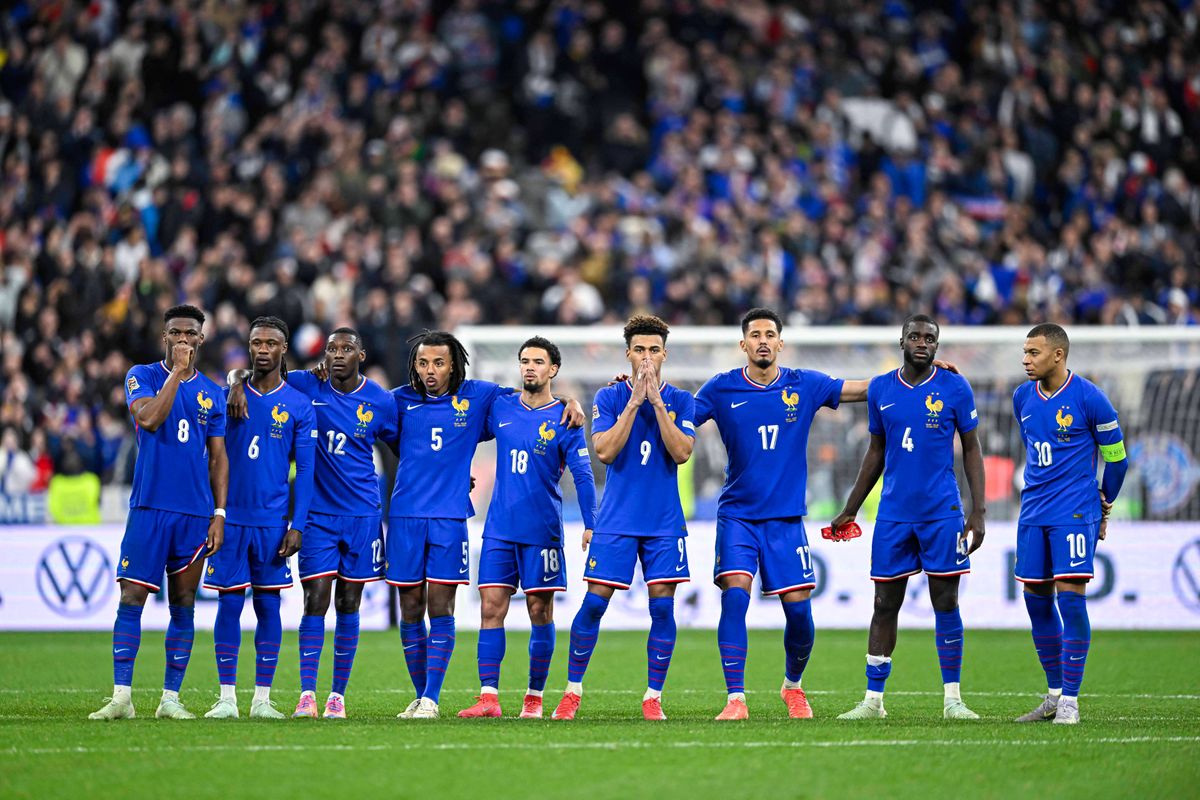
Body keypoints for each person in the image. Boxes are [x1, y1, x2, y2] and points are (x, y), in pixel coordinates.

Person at [387, 331, 585, 719]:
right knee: (409, 608)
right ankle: (422, 695)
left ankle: (433, 698)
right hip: (405, 516)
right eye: (423, 363)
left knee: (441, 606)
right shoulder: (398, 400)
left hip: (451, 519)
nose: (430, 371)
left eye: (439, 363)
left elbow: (532, 399)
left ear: (454, 366)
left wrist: (568, 400)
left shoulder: (479, 396)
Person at [229, 327, 398, 720]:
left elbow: (401, 445)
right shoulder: (307, 384)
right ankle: (307, 694)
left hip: (363, 514)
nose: (338, 354)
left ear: (361, 355)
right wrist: (236, 381)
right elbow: (256, 374)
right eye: (332, 348)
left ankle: (337, 695)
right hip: (318, 516)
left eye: (346, 349)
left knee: (349, 603)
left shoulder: (380, 400)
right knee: (315, 600)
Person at [831, 315, 986, 721]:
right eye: (914, 336)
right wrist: (851, 506)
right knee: (884, 603)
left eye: (929, 338)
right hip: (894, 515)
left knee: (946, 601)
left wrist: (978, 510)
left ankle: (953, 700)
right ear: (901, 341)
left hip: (942, 513)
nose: (922, 343)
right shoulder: (881, 388)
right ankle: (873, 701)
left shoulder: (955, 387)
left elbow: (972, 448)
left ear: (937, 345)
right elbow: (876, 452)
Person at [551, 315, 695, 721]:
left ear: (664, 354)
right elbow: (605, 452)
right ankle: (572, 691)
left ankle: (653, 697)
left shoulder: (682, 400)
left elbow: (682, 452)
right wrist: (634, 402)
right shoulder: (610, 396)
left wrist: (656, 402)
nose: (647, 358)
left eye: (654, 350)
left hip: (663, 522)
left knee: (662, 609)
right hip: (616, 519)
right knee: (594, 604)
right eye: (640, 350)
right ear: (628, 354)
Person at [90, 305, 228, 720]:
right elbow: (149, 419)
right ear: (164, 336)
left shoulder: (212, 392)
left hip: (194, 513)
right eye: (175, 333)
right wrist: (177, 374)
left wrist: (219, 513)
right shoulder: (142, 375)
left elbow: (218, 458)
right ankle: (122, 697)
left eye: (190, 334)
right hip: (149, 506)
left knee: (183, 603)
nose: (183, 340)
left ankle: (170, 698)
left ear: (201, 339)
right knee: (131, 597)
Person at [458, 336, 597, 720]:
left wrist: (591, 523)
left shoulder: (566, 418)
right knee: (491, 608)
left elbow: (583, 474)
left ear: (553, 369)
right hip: (499, 528)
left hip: (542, 531)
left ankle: (534, 698)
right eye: (524, 361)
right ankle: (488, 697)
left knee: (540, 610)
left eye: (538, 361)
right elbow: (462, 431)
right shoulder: (500, 406)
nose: (530, 367)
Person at [1012, 323, 1128, 725]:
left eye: (1034, 353)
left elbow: (1117, 459)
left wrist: (1104, 504)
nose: (1026, 360)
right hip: (1033, 510)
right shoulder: (1022, 396)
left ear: (1058, 355)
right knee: (1035, 599)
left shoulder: (1090, 398)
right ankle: (1054, 694)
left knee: (1071, 599)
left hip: (1075, 511)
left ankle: (1071, 702)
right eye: (1025, 353)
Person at [202, 317, 315, 720]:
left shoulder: (299, 405)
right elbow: (211, 456)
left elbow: (306, 471)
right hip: (231, 519)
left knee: (269, 606)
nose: (262, 349)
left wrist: (297, 524)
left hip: (272, 522)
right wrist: (235, 382)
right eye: (256, 342)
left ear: (283, 349)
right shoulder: (226, 397)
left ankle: (262, 699)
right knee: (229, 604)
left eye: (270, 343)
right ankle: (227, 698)